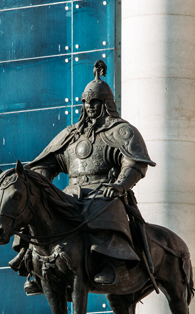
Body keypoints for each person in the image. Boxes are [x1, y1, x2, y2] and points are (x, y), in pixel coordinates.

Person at [16, 60, 156, 292]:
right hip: (70, 194)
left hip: (104, 191)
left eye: (95, 102)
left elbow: (134, 162)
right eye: (86, 102)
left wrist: (120, 185)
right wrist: (38, 186)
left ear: (105, 103)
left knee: (103, 208)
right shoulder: (70, 135)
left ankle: (114, 264)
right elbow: (46, 164)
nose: (89, 106)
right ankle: (31, 264)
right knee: (30, 209)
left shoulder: (121, 131)